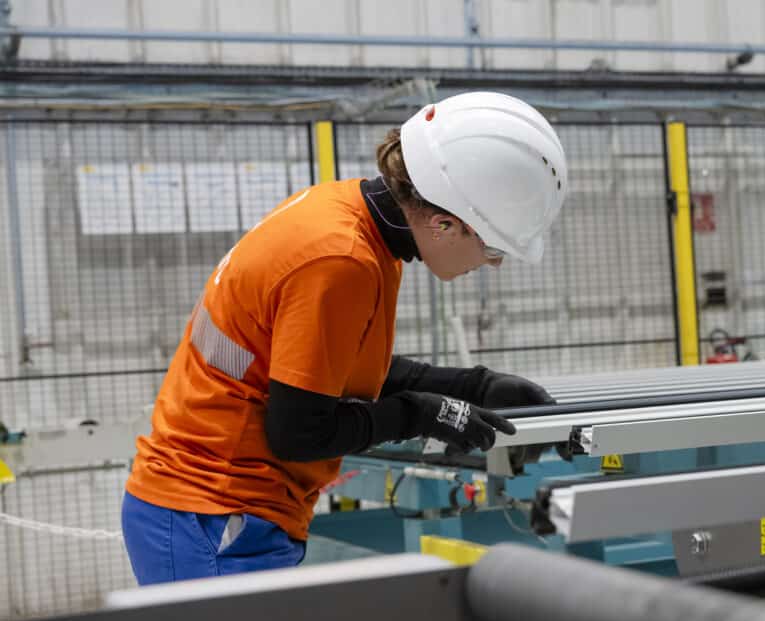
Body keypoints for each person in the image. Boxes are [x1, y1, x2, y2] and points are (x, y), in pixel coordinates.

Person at [121, 92, 568, 585]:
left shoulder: (352, 218)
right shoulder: (341, 260)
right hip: (210, 512)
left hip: (216, 507)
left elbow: (329, 367)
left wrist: (476, 387)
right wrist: (424, 414)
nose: (491, 264)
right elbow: (298, 432)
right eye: (492, 248)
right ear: (443, 224)